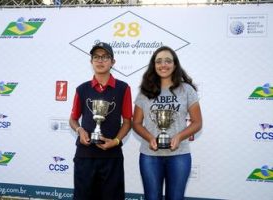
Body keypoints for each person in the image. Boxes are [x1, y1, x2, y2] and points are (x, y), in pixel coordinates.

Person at [132, 46, 202, 200]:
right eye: (159, 61)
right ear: (154, 65)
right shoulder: (145, 91)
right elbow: (136, 123)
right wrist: (150, 138)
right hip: (150, 156)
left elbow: (197, 123)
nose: (163, 65)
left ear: (175, 65)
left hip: (179, 155)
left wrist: (179, 137)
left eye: (168, 61)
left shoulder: (186, 90)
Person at [69, 42, 132, 200]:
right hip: (85, 156)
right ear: (91, 62)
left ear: (113, 62)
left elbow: (127, 122)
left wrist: (116, 141)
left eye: (105, 57)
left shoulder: (123, 88)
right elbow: (73, 119)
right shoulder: (82, 89)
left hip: (111, 156)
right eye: (96, 57)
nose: (100, 60)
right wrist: (80, 130)